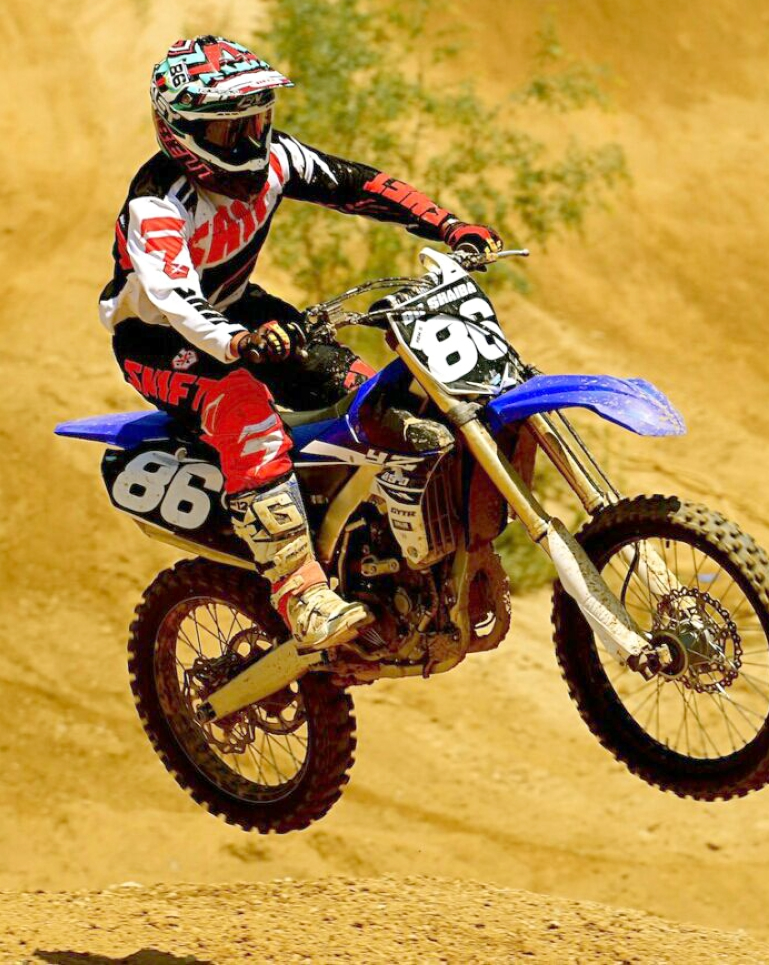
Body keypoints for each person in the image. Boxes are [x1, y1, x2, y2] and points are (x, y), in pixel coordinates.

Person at [99, 35, 502, 652]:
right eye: (231, 131)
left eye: (257, 122)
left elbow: (358, 185)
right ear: (181, 133)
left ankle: (382, 553)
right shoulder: (157, 206)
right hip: (157, 342)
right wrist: (240, 342)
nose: (250, 142)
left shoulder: (277, 160)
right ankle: (299, 591)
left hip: (239, 309)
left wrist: (448, 225)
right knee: (241, 405)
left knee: (371, 397)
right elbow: (176, 300)